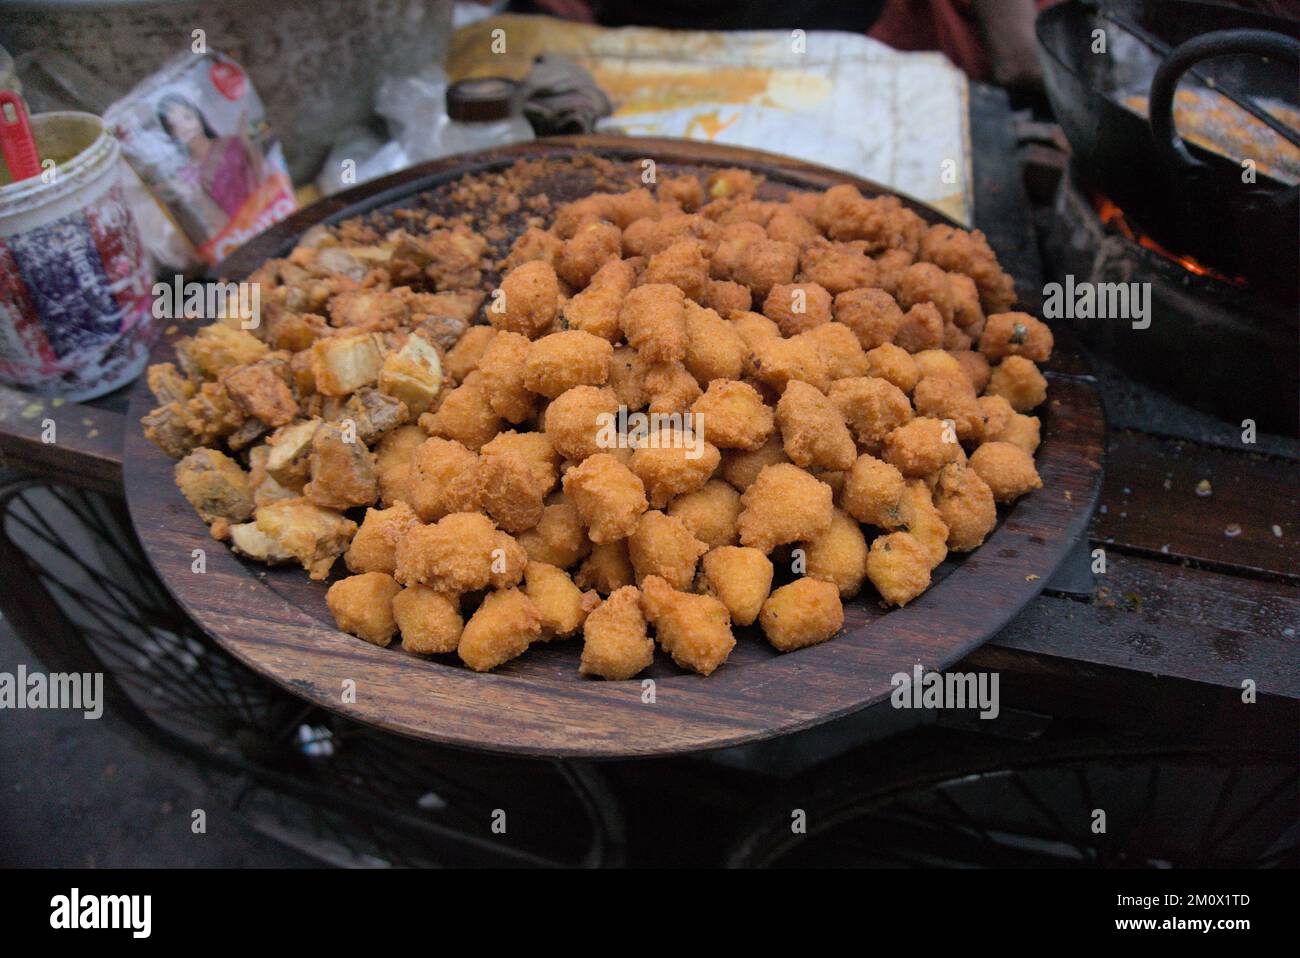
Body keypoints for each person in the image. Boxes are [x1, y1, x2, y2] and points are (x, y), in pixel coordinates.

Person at [156, 93, 262, 220]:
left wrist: (247, 143)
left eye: (187, 117)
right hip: (239, 231)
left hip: (270, 209)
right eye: (174, 125)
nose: (184, 127)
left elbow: (263, 175)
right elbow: (210, 219)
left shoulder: (232, 143)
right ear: (171, 133)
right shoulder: (187, 177)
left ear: (198, 116)